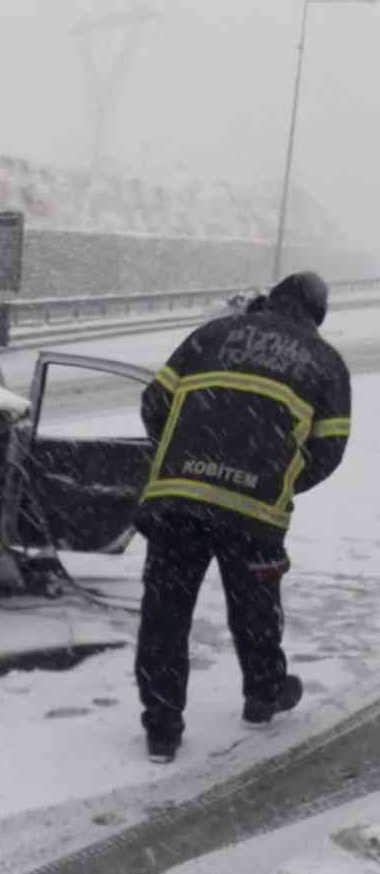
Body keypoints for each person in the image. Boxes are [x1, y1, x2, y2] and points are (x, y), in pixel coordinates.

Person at [133, 269, 351, 763]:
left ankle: (162, 729)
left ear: (268, 300)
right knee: (255, 606)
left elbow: (153, 403)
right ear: (316, 316)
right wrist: (275, 479)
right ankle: (263, 695)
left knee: (165, 613)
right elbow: (329, 447)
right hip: (253, 509)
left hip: (179, 498)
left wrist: (183, 457)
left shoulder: (213, 333)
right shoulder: (324, 361)